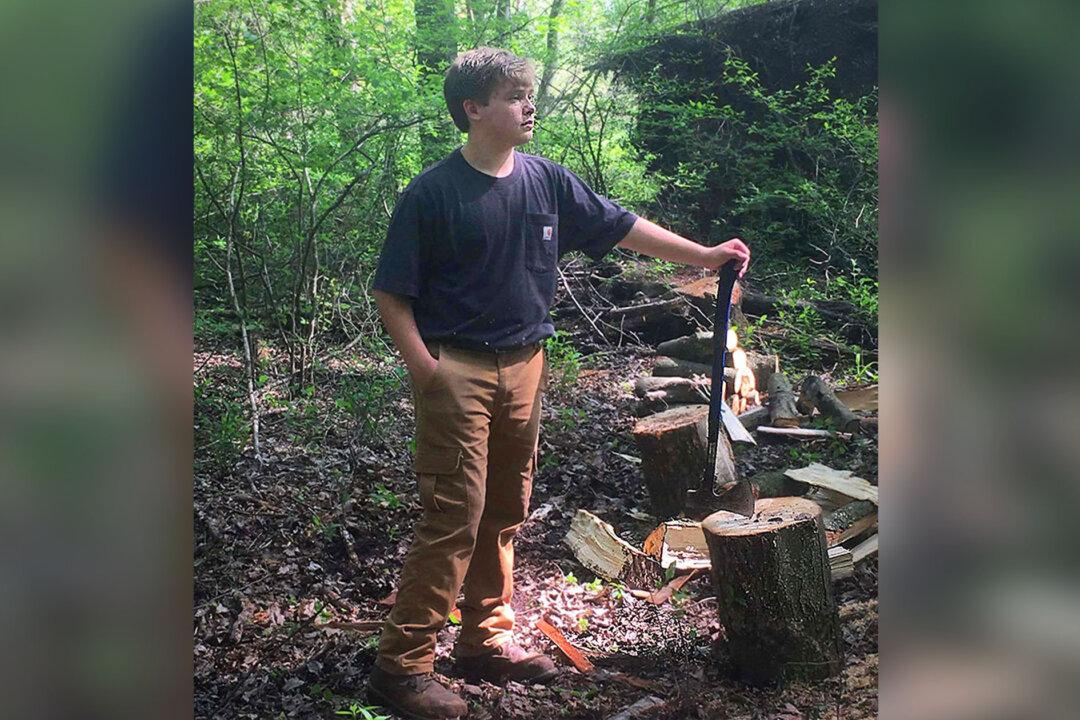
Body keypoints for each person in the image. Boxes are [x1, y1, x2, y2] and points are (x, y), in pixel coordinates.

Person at [368, 47, 750, 720]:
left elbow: (623, 227)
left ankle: (484, 639)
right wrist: (427, 371)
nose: (528, 105)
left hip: (526, 366)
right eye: (515, 95)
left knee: (505, 510)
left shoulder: (546, 181)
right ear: (474, 109)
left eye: (530, 93)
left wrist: (705, 255)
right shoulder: (433, 193)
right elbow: (392, 296)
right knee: (453, 515)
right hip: (456, 366)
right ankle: (402, 668)